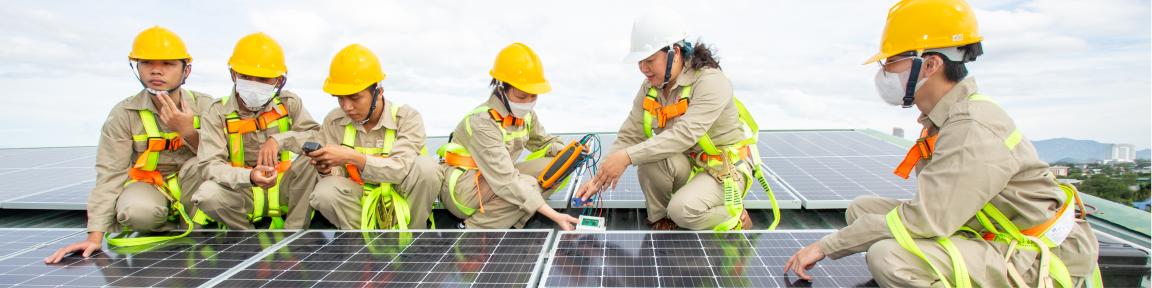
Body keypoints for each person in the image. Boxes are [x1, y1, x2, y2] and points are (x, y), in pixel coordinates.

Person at [784, 0, 1100, 287]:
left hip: (1036, 252)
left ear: (931, 65)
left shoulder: (972, 127)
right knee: (861, 210)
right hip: (983, 226)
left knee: (888, 257)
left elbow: (926, 220)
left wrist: (825, 246)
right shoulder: (946, 118)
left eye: (892, 61)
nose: (884, 71)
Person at [577, 8, 767, 231]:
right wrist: (599, 177)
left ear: (674, 52)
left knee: (683, 210)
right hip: (690, 163)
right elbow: (631, 133)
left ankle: (735, 216)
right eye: (639, 62)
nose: (643, 69)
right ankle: (662, 220)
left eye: (649, 60)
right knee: (649, 159)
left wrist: (627, 157)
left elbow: (684, 135)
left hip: (723, 168)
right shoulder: (651, 88)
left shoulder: (711, 81)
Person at [46, 26, 213, 263]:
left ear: (186, 70)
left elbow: (222, 160)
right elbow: (110, 175)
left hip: (193, 181)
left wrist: (186, 130)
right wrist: (95, 237)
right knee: (136, 213)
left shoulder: (207, 107)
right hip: (150, 184)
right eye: (146, 62)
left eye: (168, 64)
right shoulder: (124, 114)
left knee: (208, 177)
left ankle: (200, 227)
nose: (156, 70)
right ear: (137, 67)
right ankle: (166, 224)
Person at [438, 43, 579, 230]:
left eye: (533, 96)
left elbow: (545, 142)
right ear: (501, 87)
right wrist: (555, 216)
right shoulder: (482, 122)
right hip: (464, 188)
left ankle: (504, 215)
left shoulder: (525, 115)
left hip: (493, 179)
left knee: (559, 167)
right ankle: (472, 230)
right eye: (522, 96)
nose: (528, 103)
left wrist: (568, 153)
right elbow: (505, 181)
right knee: (526, 186)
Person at [190, 32, 320, 230]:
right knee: (207, 194)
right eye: (246, 77)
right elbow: (210, 165)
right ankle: (246, 238)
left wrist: (279, 140)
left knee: (313, 160)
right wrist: (249, 177)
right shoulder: (216, 112)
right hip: (242, 191)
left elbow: (316, 136)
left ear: (279, 80)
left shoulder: (289, 104)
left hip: (284, 188)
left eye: (263, 79)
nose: (253, 85)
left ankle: (294, 235)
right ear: (233, 74)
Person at [306, 44, 441, 230]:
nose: (346, 107)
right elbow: (337, 178)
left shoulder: (407, 117)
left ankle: (413, 239)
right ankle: (364, 244)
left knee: (427, 169)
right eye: (340, 98)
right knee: (324, 192)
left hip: (401, 196)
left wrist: (351, 157)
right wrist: (325, 170)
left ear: (378, 92)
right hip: (359, 204)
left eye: (354, 98)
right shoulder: (333, 121)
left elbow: (400, 169)